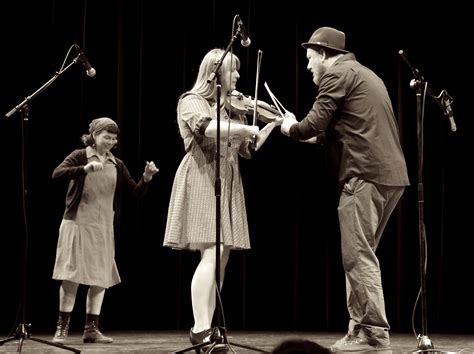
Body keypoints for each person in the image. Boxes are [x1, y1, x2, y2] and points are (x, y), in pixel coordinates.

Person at [280, 27, 410, 352]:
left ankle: (373, 336)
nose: (309, 67)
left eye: (310, 59)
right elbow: (345, 128)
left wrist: (290, 128)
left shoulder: (336, 74)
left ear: (324, 54)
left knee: (357, 256)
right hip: (390, 175)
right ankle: (358, 330)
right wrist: (308, 134)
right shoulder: (365, 74)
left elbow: (312, 123)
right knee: (361, 254)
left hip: (364, 174)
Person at [163, 48, 282, 347]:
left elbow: (247, 150)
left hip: (228, 179)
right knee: (212, 251)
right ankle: (199, 328)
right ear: (215, 73)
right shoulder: (192, 102)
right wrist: (246, 127)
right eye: (234, 70)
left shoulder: (231, 109)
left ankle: (210, 327)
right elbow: (209, 129)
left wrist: (269, 126)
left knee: (222, 256)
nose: (239, 76)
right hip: (203, 175)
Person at [51, 117, 159, 344]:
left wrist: (146, 178)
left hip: (103, 227)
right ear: (94, 136)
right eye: (106, 137)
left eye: (113, 138)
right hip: (77, 224)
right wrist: (84, 169)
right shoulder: (80, 155)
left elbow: (135, 192)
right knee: (72, 276)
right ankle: (62, 328)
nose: (110, 141)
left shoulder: (116, 164)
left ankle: (91, 329)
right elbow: (57, 174)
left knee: (100, 277)